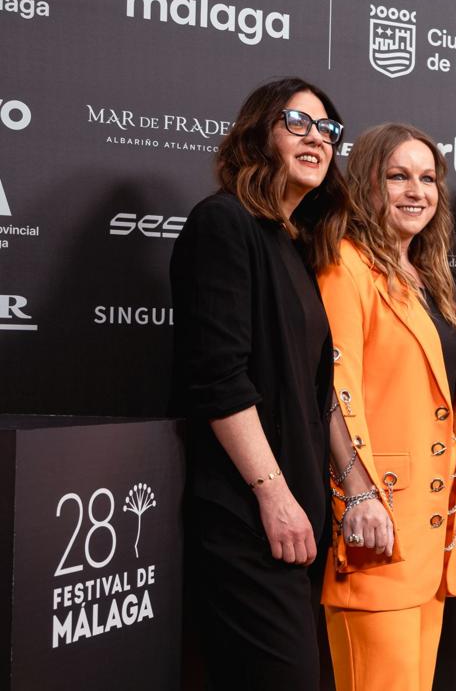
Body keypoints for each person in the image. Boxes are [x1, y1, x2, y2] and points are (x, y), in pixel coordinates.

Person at [170, 77, 349, 689]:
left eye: (326, 129)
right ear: (258, 133)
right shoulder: (223, 223)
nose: (316, 138)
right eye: (297, 123)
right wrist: (273, 497)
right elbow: (219, 379)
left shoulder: (292, 244)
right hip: (248, 518)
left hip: (297, 521)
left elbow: (313, 392)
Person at [316, 123, 456, 691]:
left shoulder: (428, 277)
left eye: (428, 178)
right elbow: (333, 387)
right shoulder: (345, 263)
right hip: (376, 531)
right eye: (398, 176)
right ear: (367, 185)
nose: (417, 191)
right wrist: (357, 493)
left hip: (429, 541)